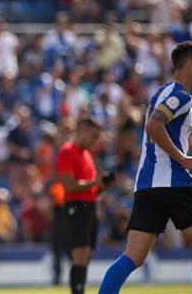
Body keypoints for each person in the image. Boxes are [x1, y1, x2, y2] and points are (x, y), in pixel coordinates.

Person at [99, 41, 192, 294]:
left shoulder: (161, 93)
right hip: (174, 182)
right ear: (190, 64)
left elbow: (158, 133)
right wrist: (183, 159)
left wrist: (187, 143)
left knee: (133, 256)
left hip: (147, 186)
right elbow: (154, 126)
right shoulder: (182, 95)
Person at [56, 117, 111, 294]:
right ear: (82, 131)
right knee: (80, 254)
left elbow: (92, 189)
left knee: (86, 254)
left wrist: (102, 186)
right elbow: (69, 185)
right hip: (76, 206)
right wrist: (95, 182)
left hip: (90, 206)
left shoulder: (88, 155)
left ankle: (80, 290)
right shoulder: (67, 151)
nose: (95, 141)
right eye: (93, 136)